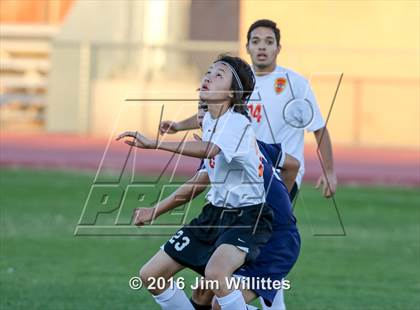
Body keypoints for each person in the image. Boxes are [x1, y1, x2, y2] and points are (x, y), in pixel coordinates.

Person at [159, 19, 337, 309]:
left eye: (268, 41)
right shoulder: (234, 82)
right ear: (248, 47)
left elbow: (318, 128)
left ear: (279, 47)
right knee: (217, 284)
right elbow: (211, 114)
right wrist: (179, 125)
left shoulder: (294, 84)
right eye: (256, 41)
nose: (262, 47)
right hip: (236, 170)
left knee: (264, 251)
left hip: (269, 178)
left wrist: (327, 171)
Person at [117, 55, 274, 310]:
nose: (209, 76)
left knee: (216, 274)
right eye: (209, 71)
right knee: (151, 275)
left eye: (219, 74)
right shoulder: (211, 118)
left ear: (233, 94)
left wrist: (156, 143)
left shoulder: (238, 123)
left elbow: (210, 149)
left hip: (248, 217)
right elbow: (202, 123)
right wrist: (179, 126)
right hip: (213, 214)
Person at [133, 102, 301, 310]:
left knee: (219, 303)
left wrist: (281, 212)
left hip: (275, 240)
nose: (203, 113)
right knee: (203, 293)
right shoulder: (223, 146)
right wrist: (178, 126)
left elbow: (193, 188)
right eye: (201, 107)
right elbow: (292, 165)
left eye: (208, 107)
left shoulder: (239, 144)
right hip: (243, 229)